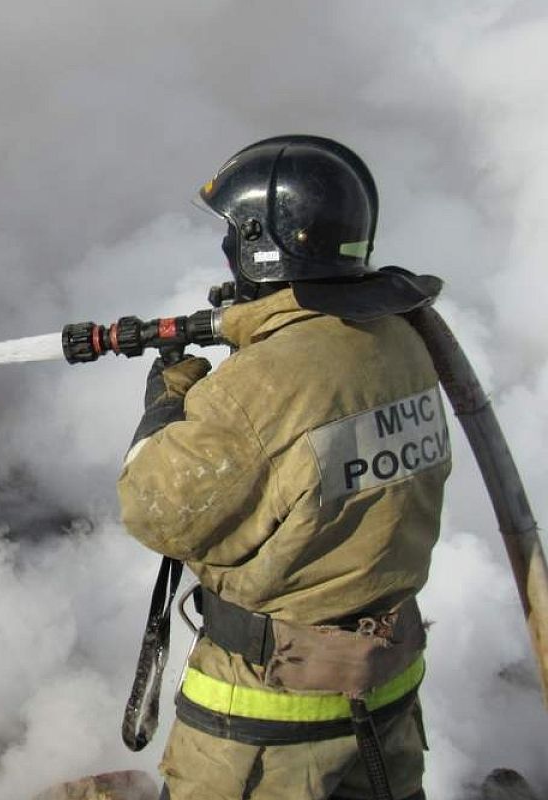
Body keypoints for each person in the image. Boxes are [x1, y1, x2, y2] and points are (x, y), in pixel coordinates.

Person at [117, 135, 450, 800]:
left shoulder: (268, 385)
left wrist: (167, 403)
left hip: (265, 728)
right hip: (384, 701)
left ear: (262, 243)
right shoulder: (399, 340)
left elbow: (153, 506)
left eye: (230, 236)